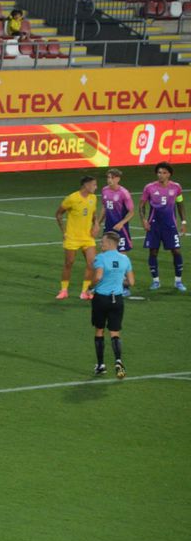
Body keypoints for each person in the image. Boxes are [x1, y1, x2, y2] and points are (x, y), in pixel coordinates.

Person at [90, 231, 133, 379]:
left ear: (109, 244)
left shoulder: (100, 258)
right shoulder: (125, 259)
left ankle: (101, 365)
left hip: (101, 299)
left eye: (102, 242)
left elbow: (98, 276)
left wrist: (90, 287)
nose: (101, 244)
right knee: (115, 332)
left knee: (100, 330)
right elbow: (131, 282)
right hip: (118, 300)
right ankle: (118, 360)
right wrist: (118, 279)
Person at [139, 161, 186, 291]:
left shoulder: (176, 187)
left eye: (164, 173)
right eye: (159, 172)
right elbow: (141, 205)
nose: (161, 175)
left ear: (169, 174)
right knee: (153, 251)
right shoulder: (149, 188)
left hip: (170, 225)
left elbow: (180, 204)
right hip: (154, 226)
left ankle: (178, 281)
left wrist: (183, 222)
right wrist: (143, 220)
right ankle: (156, 281)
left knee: (176, 251)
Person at [56, 175, 99, 300]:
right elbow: (58, 214)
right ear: (86, 185)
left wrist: (96, 224)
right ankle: (64, 290)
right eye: (94, 185)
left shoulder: (93, 198)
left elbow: (93, 214)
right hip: (72, 237)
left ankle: (85, 291)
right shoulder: (72, 198)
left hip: (88, 237)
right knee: (69, 263)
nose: (96, 187)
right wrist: (63, 231)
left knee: (92, 263)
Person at [96, 168, 135, 255]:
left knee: (121, 253)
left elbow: (131, 212)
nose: (110, 180)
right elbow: (104, 207)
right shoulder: (104, 190)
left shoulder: (124, 193)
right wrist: (98, 223)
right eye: (108, 177)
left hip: (120, 228)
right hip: (108, 226)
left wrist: (121, 223)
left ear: (118, 179)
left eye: (112, 178)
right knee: (105, 251)